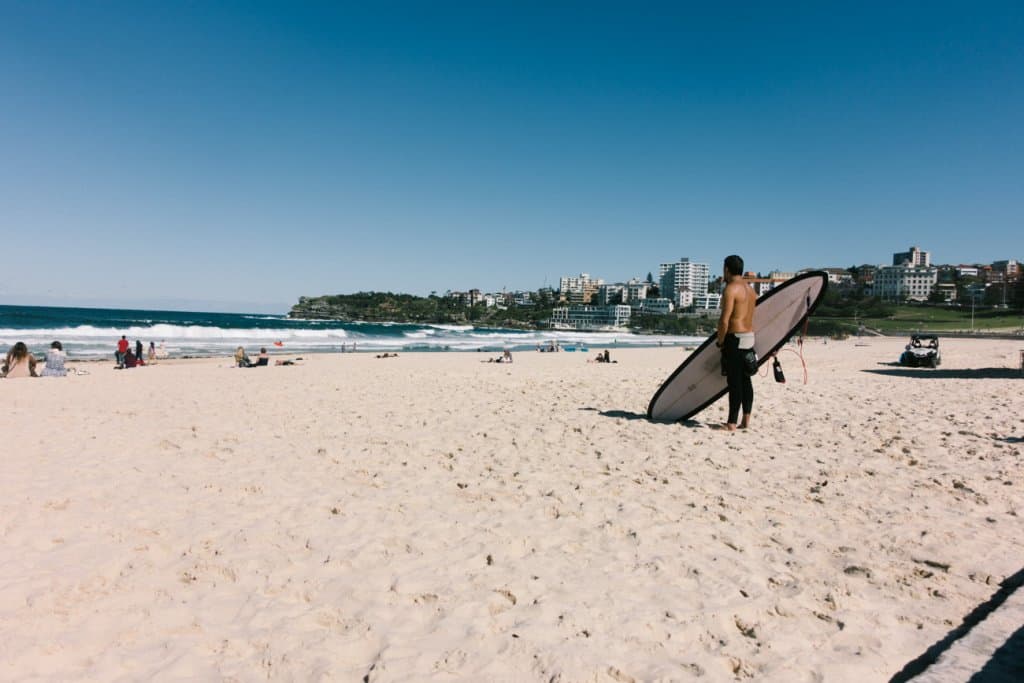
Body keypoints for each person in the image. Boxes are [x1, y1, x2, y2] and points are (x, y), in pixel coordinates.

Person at [716, 254, 756, 430]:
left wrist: (721, 341)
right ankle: (745, 419)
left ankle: (732, 422)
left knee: (735, 383)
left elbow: (725, 320)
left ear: (726, 269)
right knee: (746, 380)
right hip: (749, 336)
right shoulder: (751, 290)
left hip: (735, 339)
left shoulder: (731, 289)